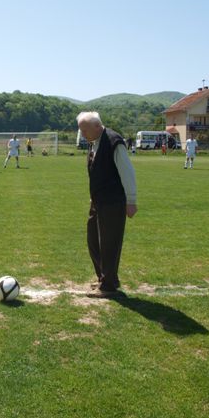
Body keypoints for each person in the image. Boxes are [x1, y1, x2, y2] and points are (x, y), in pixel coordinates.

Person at [77, 111, 137, 298]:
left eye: (85, 130)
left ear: (97, 126)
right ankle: (105, 278)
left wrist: (131, 200)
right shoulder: (94, 142)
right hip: (98, 201)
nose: (83, 134)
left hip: (113, 202)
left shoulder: (113, 141)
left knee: (109, 244)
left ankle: (109, 286)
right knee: (93, 240)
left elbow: (127, 172)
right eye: (81, 131)